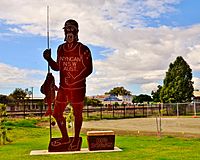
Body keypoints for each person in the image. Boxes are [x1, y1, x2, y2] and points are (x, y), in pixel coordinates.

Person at [43, 19, 93, 150]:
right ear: (64, 32)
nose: (70, 33)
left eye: (73, 30)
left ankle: (76, 139)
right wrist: (49, 59)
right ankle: (65, 138)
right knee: (56, 113)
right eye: (67, 30)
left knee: (77, 114)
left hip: (78, 88)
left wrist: (75, 79)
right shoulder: (61, 48)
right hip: (64, 88)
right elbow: (58, 67)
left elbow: (88, 69)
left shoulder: (83, 49)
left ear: (77, 32)